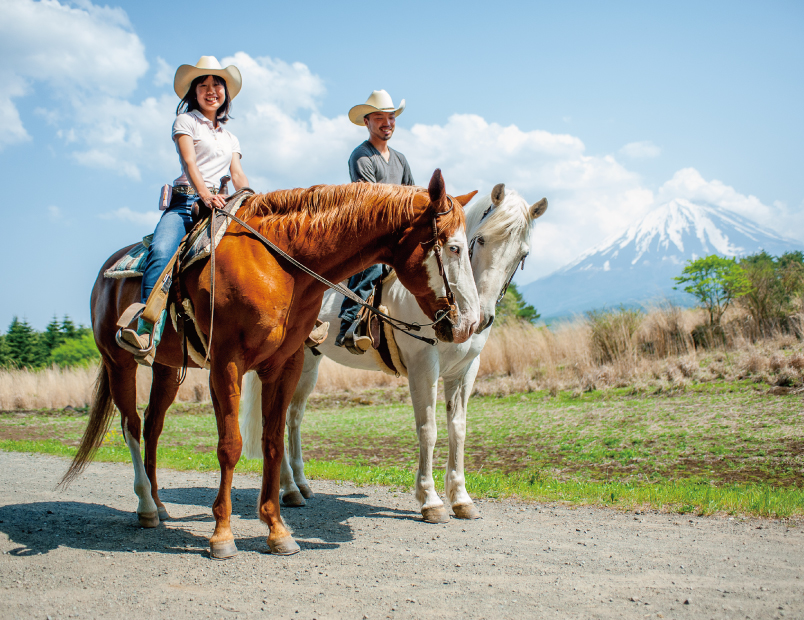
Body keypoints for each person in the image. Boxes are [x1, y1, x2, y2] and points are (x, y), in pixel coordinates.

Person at [118, 56, 248, 361]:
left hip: (222, 205)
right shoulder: (185, 122)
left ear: (225, 93)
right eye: (204, 85)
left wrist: (252, 200)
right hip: (187, 202)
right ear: (194, 93)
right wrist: (204, 195)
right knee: (162, 251)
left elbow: (238, 174)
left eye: (217, 85)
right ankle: (147, 330)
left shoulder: (230, 137)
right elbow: (189, 162)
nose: (211, 90)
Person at [335, 90, 414, 349]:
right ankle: (349, 325)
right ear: (367, 122)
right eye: (379, 117)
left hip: (398, 232)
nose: (387, 122)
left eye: (391, 117)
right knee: (373, 268)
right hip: (371, 232)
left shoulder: (401, 159)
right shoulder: (362, 156)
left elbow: (412, 196)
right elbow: (371, 204)